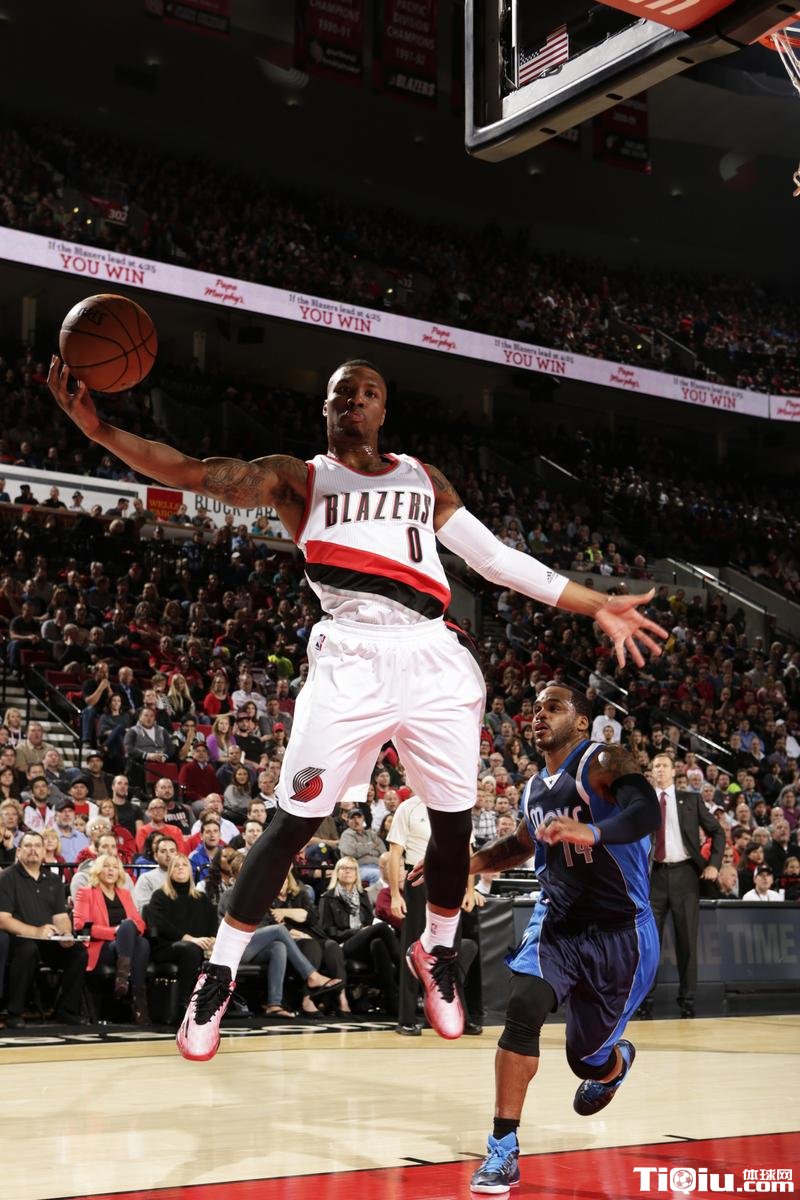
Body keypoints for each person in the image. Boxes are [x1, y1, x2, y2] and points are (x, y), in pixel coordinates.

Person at [48, 354, 666, 1060]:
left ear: (383, 410)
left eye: (369, 392)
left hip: (432, 654)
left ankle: (436, 952)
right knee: (293, 822)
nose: (356, 399)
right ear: (327, 406)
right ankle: (217, 974)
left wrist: (595, 604)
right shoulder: (300, 478)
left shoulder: (423, 478)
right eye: (344, 390)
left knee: (452, 821)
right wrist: (99, 430)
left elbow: (495, 560)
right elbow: (190, 470)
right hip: (350, 656)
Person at [464, 685, 661, 1194]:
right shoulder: (534, 788)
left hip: (622, 933)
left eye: (553, 707)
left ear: (580, 722)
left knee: (584, 1059)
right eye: (535, 709)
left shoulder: (602, 760)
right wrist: (468, 865)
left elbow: (645, 811)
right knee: (522, 1007)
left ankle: (614, 1065)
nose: (539, 715)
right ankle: (503, 1148)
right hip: (558, 920)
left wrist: (593, 833)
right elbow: (521, 843)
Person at [638, 752, 725, 1020]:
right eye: (656, 766)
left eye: (664, 765)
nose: (660, 770)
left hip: (686, 876)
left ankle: (687, 999)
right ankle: (644, 999)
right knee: (649, 943)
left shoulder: (691, 799)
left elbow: (718, 831)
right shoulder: (643, 802)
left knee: (687, 940)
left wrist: (714, 864)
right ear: (651, 771)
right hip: (653, 878)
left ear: (674, 770)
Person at [0, 830, 89, 1027]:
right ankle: (14, 1012)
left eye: (37, 846)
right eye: (28, 846)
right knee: (28, 949)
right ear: (19, 851)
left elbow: (61, 917)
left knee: (78, 952)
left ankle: (66, 1010)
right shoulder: (6, 877)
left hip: (49, 940)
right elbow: (3, 920)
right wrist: (36, 931)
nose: (33, 850)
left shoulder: (54, 880)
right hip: (18, 938)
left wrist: (65, 934)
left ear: (43, 851)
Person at [318, 856, 401, 1015]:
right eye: (344, 868)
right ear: (337, 873)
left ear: (357, 873)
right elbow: (328, 931)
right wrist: (357, 932)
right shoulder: (328, 898)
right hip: (342, 945)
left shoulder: (363, 896)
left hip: (363, 944)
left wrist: (364, 932)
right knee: (382, 928)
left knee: (378, 943)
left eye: (352, 868)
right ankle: (405, 969)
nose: (348, 871)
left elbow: (369, 921)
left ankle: (392, 1000)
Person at [73, 853, 150, 1022]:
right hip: (102, 947)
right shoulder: (86, 892)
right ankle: (139, 1005)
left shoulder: (124, 894)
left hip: (125, 946)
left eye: (115, 867)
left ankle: (123, 981)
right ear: (98, 870)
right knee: (133, 934)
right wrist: (115, 931)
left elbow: (139, 923)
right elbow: (80, 926)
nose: (111, 870)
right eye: (106, 866)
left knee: (141, 940)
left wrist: (126, 931)